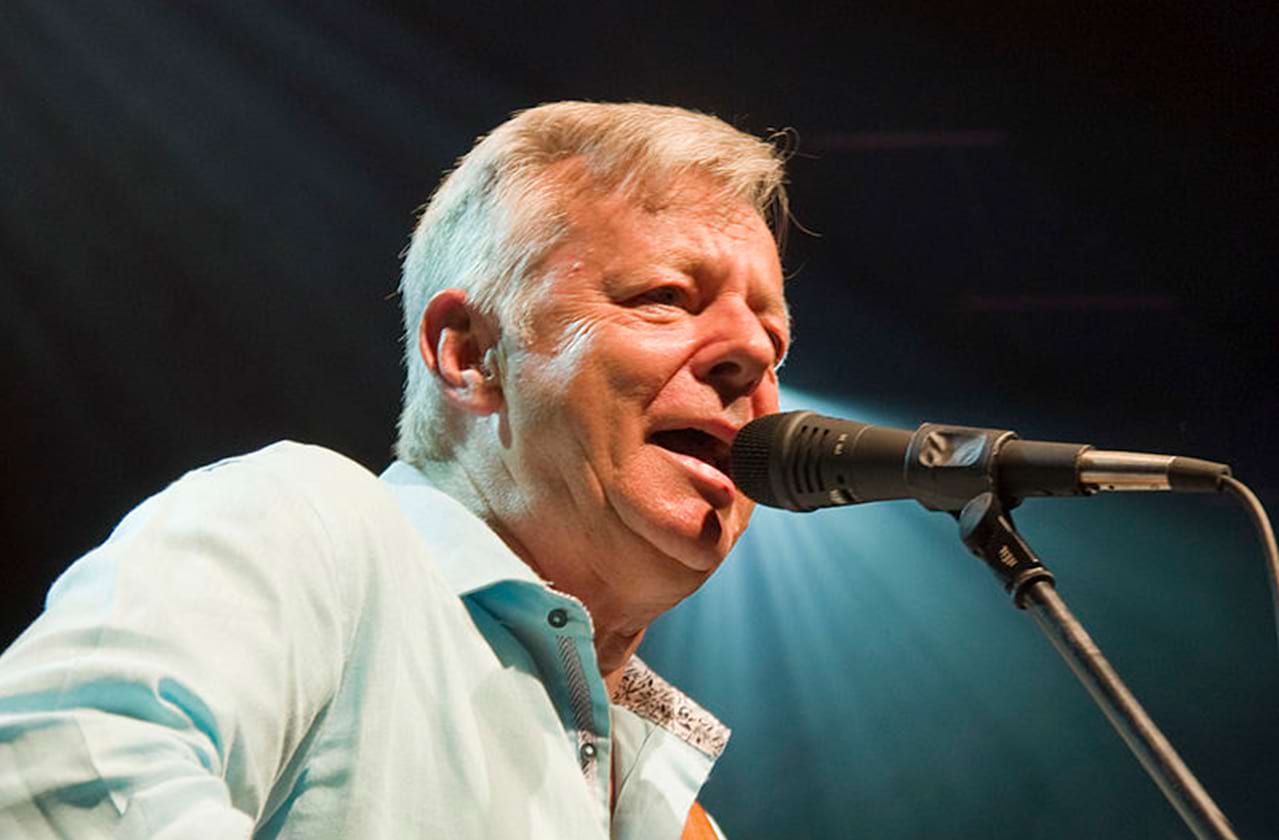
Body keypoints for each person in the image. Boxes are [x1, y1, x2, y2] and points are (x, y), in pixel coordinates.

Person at [0, 101, 791, 839]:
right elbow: (57, 774)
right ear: (470, 354)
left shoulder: (681, 815)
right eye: (665, 296)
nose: (752, 354)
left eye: (773, 336)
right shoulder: (307, 526)